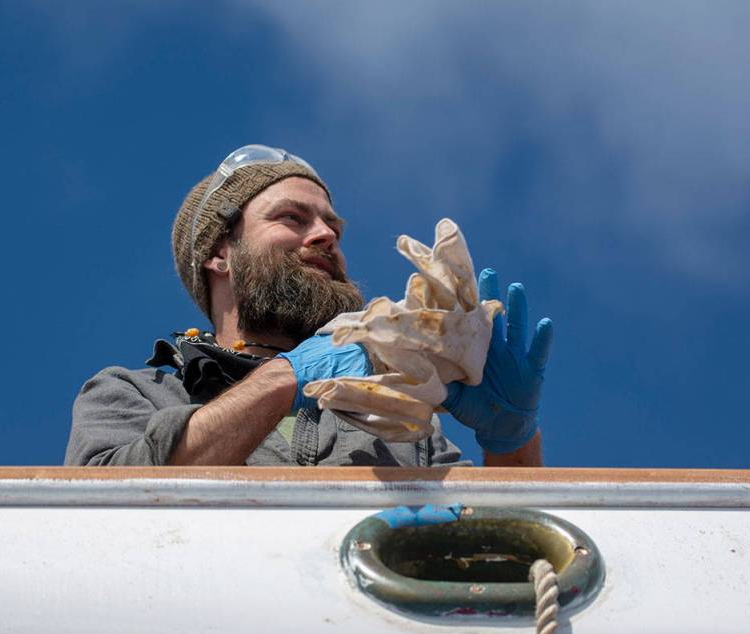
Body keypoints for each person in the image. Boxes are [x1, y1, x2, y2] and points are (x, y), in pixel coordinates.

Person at [65, 145, 552, 467]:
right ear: (219, 252)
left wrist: (511, 439)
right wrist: (286, 377)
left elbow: (505, 555)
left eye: (332, 229)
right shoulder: (132, 395)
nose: (325, 236)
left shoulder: (401, 422)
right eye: (292, 218)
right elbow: (103, 518)